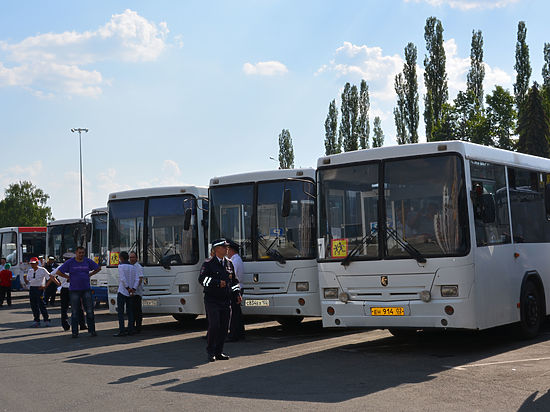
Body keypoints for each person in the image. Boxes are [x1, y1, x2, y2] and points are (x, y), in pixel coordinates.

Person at [198, 238, 241, 362]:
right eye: (224, 247)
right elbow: (201, 280)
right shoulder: (208, 263)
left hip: (226, 300)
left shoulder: (229, 263)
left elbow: (234, 281)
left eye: (227, 247)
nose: (226, 249)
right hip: (212, 300)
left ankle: (219, 352)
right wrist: (217, 283)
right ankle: (210, 351)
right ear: (216, 249)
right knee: (215, 325)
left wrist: (237, 293)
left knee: (224, 327)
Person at [56, 246, 101, 338]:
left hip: (86, 289)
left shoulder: (87, 261)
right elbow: (59, 272)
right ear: (76, 253)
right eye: (79, 253)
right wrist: (68, 277)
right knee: (75, 311)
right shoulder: (70, 262)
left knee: (89, 311)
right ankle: (75, 332)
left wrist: (90, 274)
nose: (81, 254)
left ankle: (92, 330)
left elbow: (98, 268)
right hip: (74, 290)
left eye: (82, 253)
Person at [114, 251, 139, 337]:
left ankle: (122, 330)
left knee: (120, 312)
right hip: (131, 292)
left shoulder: (120, 266)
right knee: (130, 312)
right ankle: (130, 329)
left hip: (122, 291)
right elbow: (137, 279)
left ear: (121, 258)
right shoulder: (133, 267)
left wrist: (127, 288)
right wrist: (133, 289)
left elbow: (123, 279)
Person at [23, 257, 54, 327]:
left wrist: (45, 286)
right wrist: (25, 279)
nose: (32, 265)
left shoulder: (42, 270)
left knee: (41, 305)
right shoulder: (30, 271)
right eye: (31, 264)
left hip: (39, 288)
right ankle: (36, 320)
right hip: (32, 289)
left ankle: (46, 320)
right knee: (33, 305)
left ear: (37, 263)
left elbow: (50, 278)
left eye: (34, 263)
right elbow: (28, 282)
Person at [226, 240, 245, 341]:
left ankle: (234, 335)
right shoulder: (235, 259)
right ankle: (239, 334)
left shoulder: (235, 261)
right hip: (237, 288)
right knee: (237, 313)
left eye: (227, 249)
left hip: (236, 288)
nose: (226, 252)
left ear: (231, 250)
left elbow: (234, 277)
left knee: (234, 314)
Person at [129, 252, 144, 333]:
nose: (131, 259)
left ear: (136, 258)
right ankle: (133, 326)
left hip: (137, 293)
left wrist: (134, 289)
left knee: (137, 311)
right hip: (132, 292)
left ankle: (138, 327)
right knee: (132, 311)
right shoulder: (130, 266)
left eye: (133, 257)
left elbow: (140, 279)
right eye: (130, 257)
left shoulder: (138, 267)